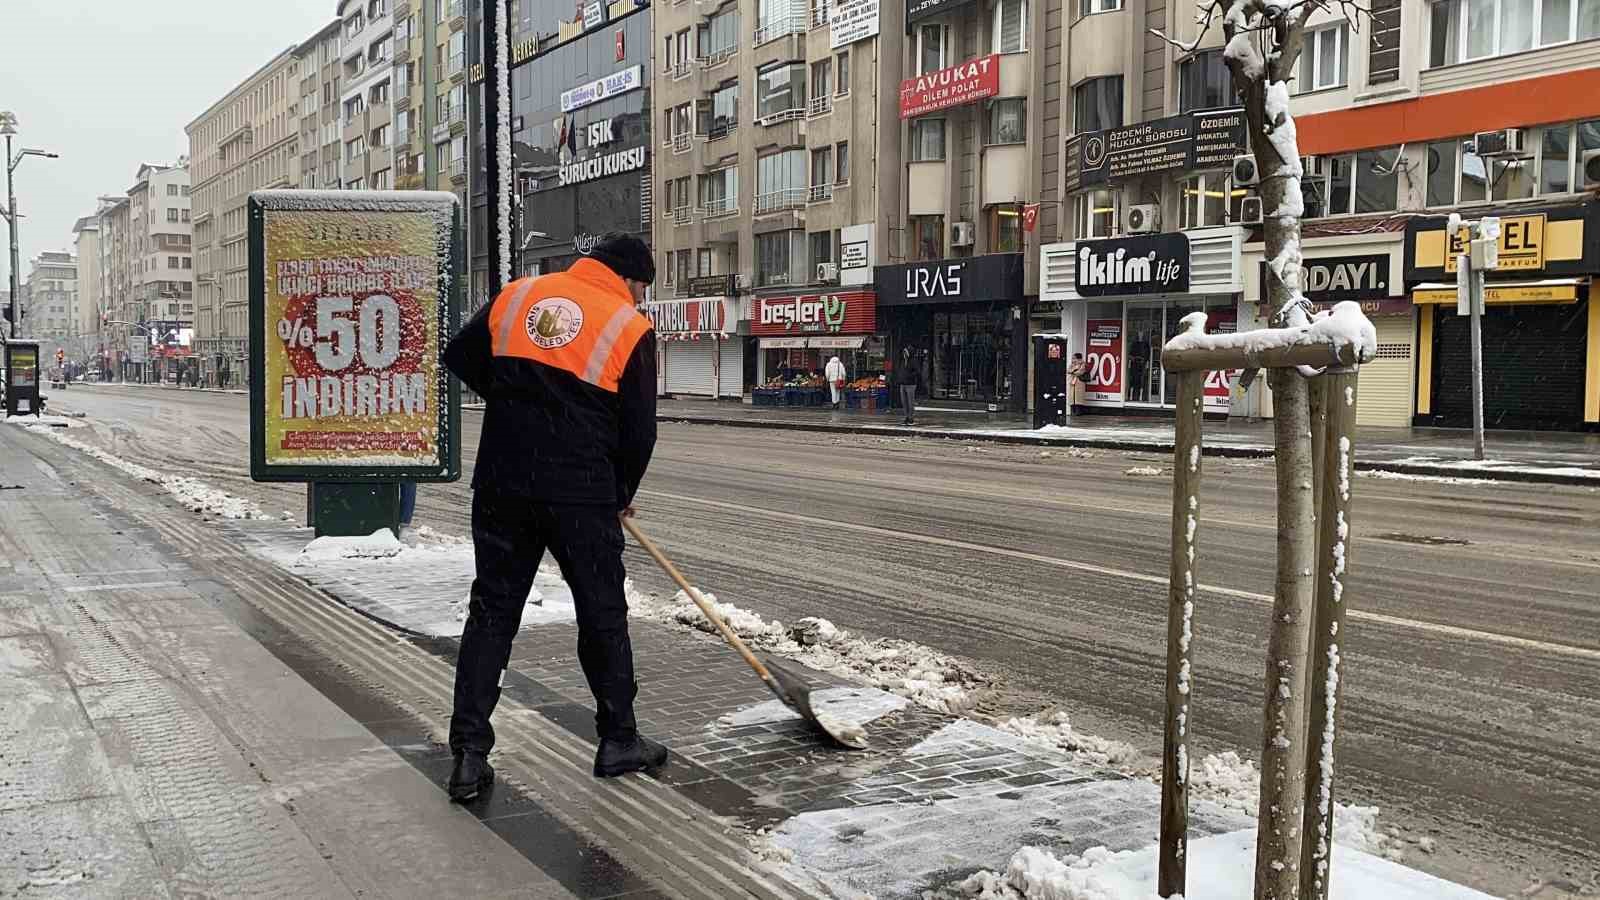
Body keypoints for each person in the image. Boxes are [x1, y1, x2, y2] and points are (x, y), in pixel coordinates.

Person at [441, 232, 664, 801]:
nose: (638, 299)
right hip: (581, 493)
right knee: (601, 613)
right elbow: (639, 431)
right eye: (641, 289)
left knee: (492, 612)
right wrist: (619, 492)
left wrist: (520, 402)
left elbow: (459, 354)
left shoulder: (518, 295)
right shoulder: (628, 325)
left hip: (503, 482)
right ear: (632, 281)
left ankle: (468, 754)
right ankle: (618, 740)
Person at [897, 346, 921, 425]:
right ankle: (906, 417)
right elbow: (900, 370)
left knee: (910, 402)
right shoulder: (903, 361)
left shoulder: (913, 361)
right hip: (903, 383)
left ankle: (911, 418)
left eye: (906, 352)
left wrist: (909, 376)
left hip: (911, 384)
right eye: (904, 352)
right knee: (904, 402)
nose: (904, 354)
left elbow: (918, 372)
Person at [1067, 352, 1090, 417]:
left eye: (1074, 358)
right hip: (1072, 382)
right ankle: (1072, 411)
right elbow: (1068, 370)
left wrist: (1073, 371)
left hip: (1079, 382)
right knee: (1072, 397)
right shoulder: (1072, 364)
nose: (1073, 360)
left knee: (1078, 397)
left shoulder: (1083, 364)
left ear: (1078, 359)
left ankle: (1078, 411)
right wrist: (1074, 370)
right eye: (1072, 358)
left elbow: (1080, 372)